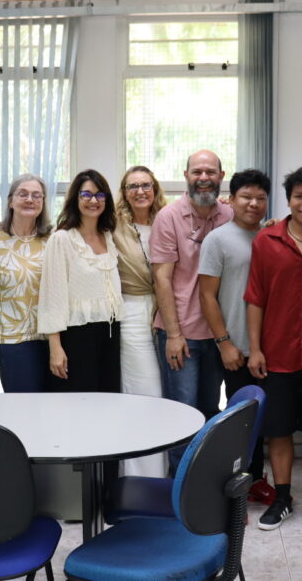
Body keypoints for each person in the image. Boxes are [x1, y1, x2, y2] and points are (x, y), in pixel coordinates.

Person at [245, 167, 302, 531]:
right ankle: (282, 497)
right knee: (279, 429)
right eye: (299, 196)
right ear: (288, 200)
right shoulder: (265, 240)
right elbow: (255, 298)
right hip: (278, 352)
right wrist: (255, 348)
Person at [151, 149, 233, 470]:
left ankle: (204, 483)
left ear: (221, 176)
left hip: (218, 334)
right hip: (181, 333)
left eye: (210, 172)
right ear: (186, 176)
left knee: (211, 411)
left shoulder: (230, 215)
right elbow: (162, 278)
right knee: (182, 414)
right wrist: (173, 334)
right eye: (197, 172)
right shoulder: (168, 217)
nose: (204, 178)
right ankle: (179, 485)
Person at [198, 168, 276, 504]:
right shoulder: (217, 239)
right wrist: (225, 343)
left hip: (270, 347)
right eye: (246, 196)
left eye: (260, 198)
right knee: (238, 423)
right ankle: (234, 489)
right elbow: (206, 296)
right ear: (231, 200)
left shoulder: (273, 236)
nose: (253, 203)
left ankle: (255, 481)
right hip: (236, 347)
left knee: (263, 420)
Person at [38, 169, 124, 393]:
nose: (93, 201)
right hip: (77, 336)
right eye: (86, 194)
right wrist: (55, 347)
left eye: (100, 195)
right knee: (79, 402)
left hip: (110, 331)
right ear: (75, 198)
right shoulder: (62, 239)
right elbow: (52, 296)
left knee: (109, 400)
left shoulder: (108, 236)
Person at [114, 165, 168, 477]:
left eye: (145, 185)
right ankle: (141, 475)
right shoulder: (113, 225)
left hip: (167, 311)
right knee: (144, 391)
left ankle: (165, 471)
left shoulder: (167, 219)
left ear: (155, 188)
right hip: (132, 313)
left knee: (166, 394)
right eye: (132, 186)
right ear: (124, 193)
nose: (140, 191)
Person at [0, 174, 53, 392]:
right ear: (11, 201)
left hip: (52, 337)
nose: (30, 199)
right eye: (23, 194)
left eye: (36, 195)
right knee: (24, 404)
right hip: (11, 340)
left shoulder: (53, 239)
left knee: (54, 404)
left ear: (43, 202)